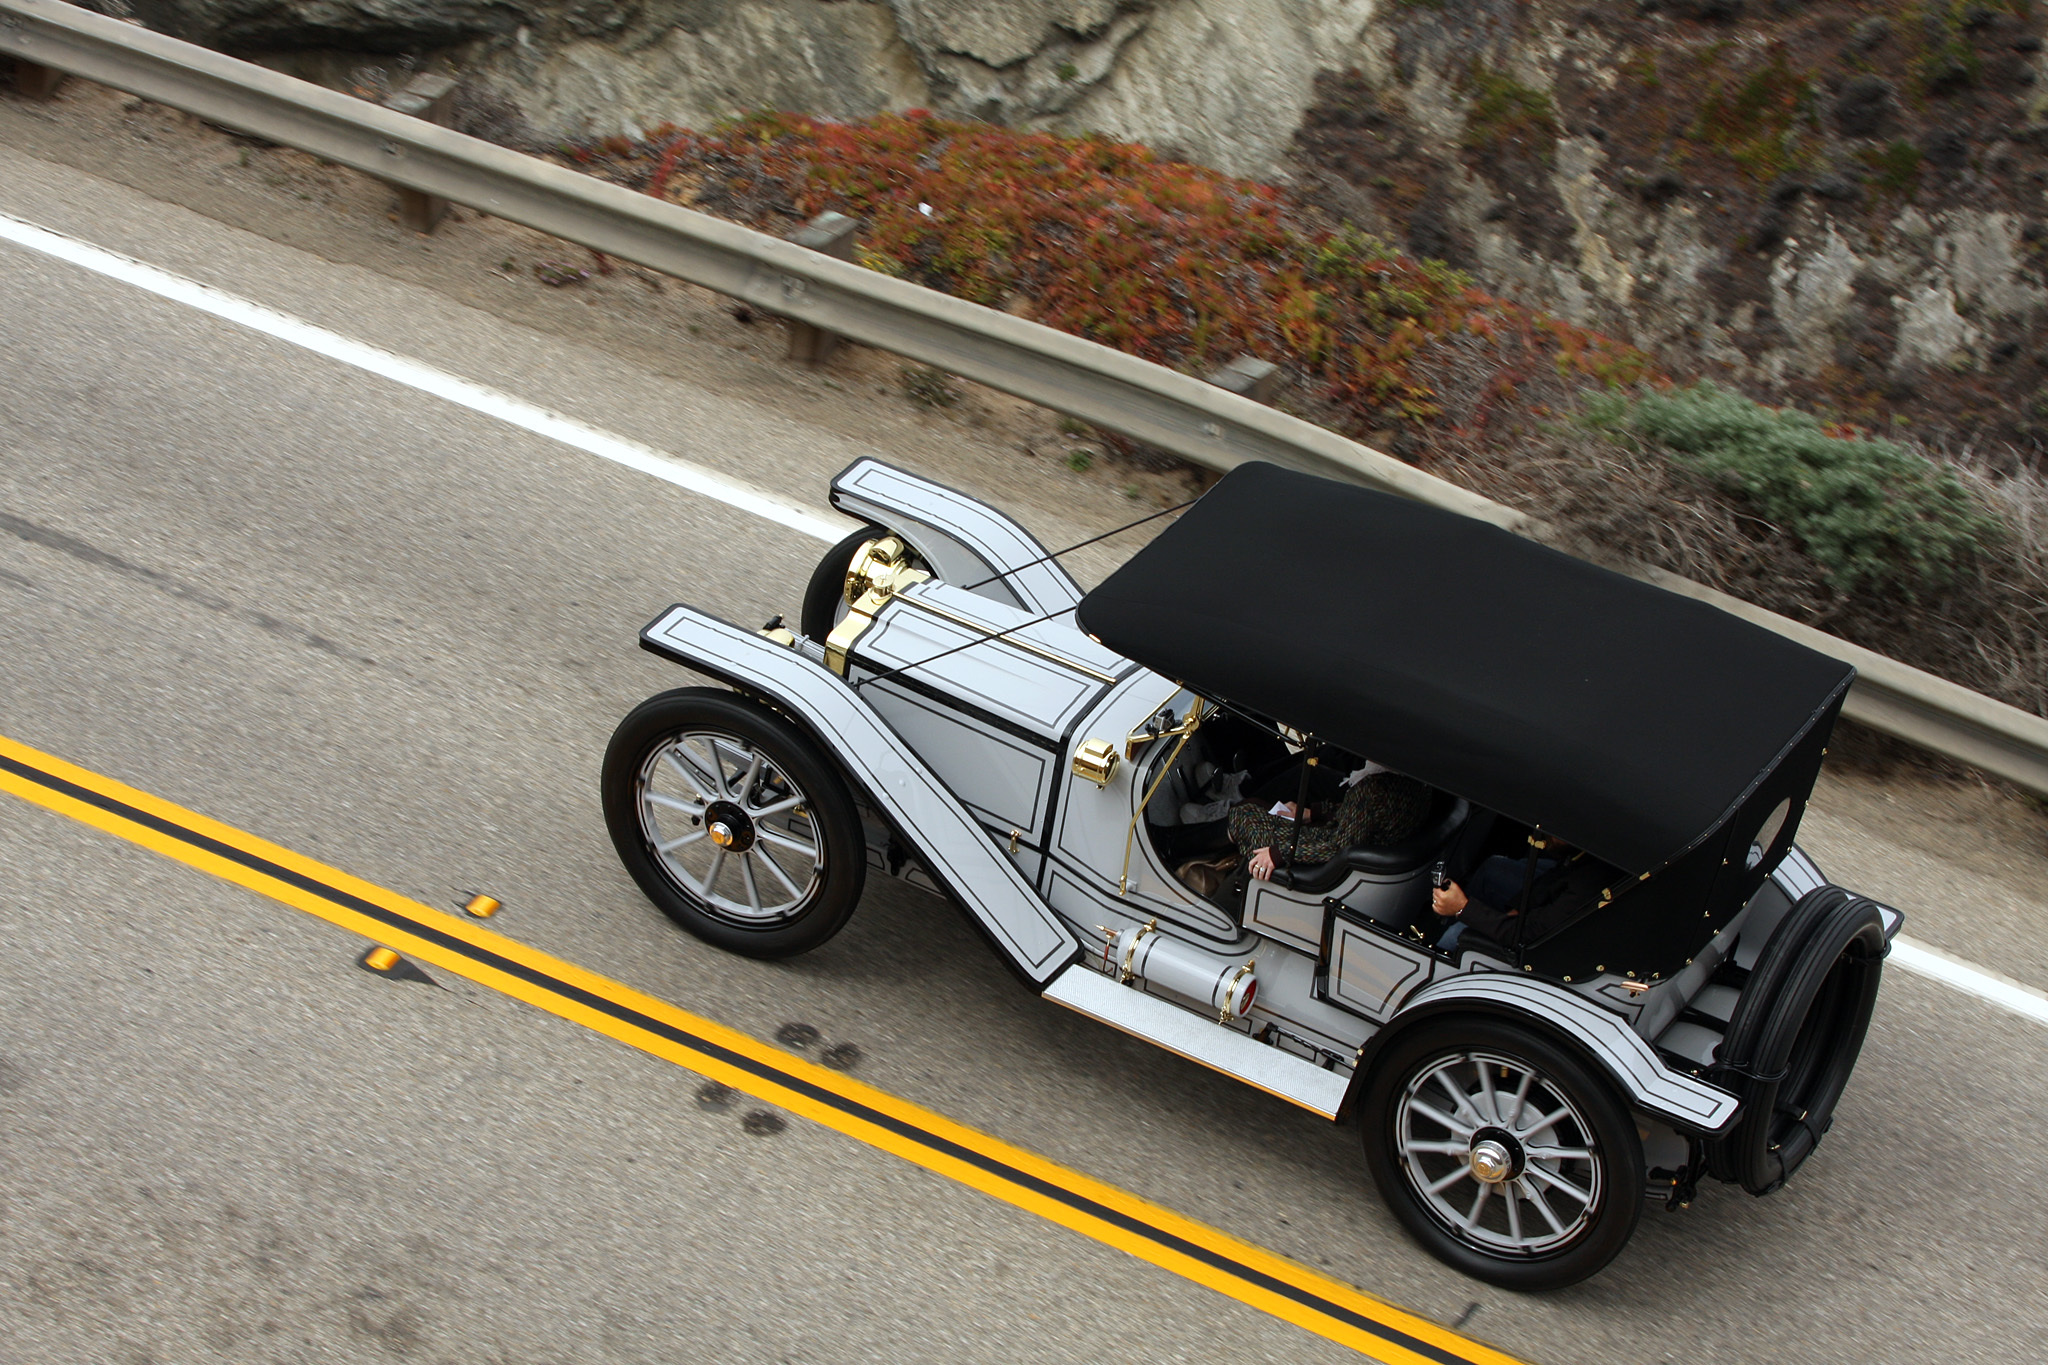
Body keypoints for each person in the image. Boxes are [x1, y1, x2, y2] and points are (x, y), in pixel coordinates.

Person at [1231, 766, 1430, 881]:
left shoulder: (1373, 789)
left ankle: (1202, 842)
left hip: (1329, 857)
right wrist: (1314, 813)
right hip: (1352, 842)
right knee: (1252, 809)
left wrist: (1280, 853)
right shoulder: (1416, 784)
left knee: (1244, 815)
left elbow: (1338, 849)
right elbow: (1364, 817)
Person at [1432, 836, 1608, 955]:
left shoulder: (1590, 883)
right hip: (1555, 894)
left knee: (1455, 934)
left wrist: (1463, 909)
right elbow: (1559, 875)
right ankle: (1441, 924)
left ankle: (1437, 953)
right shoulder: (1585, 856)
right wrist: (1517, 908)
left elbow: (1532, 934)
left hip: (1547, 943)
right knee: (1493, 870)